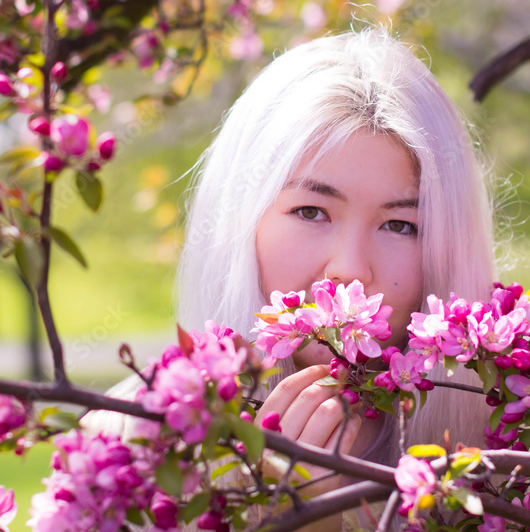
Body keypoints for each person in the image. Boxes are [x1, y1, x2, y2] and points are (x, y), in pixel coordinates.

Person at [88, 27, 497, 528]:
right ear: (244, 218)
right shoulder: (128, 442)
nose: (349, 269)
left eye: (400, 224)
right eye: (310, 211)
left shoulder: (498, 452)